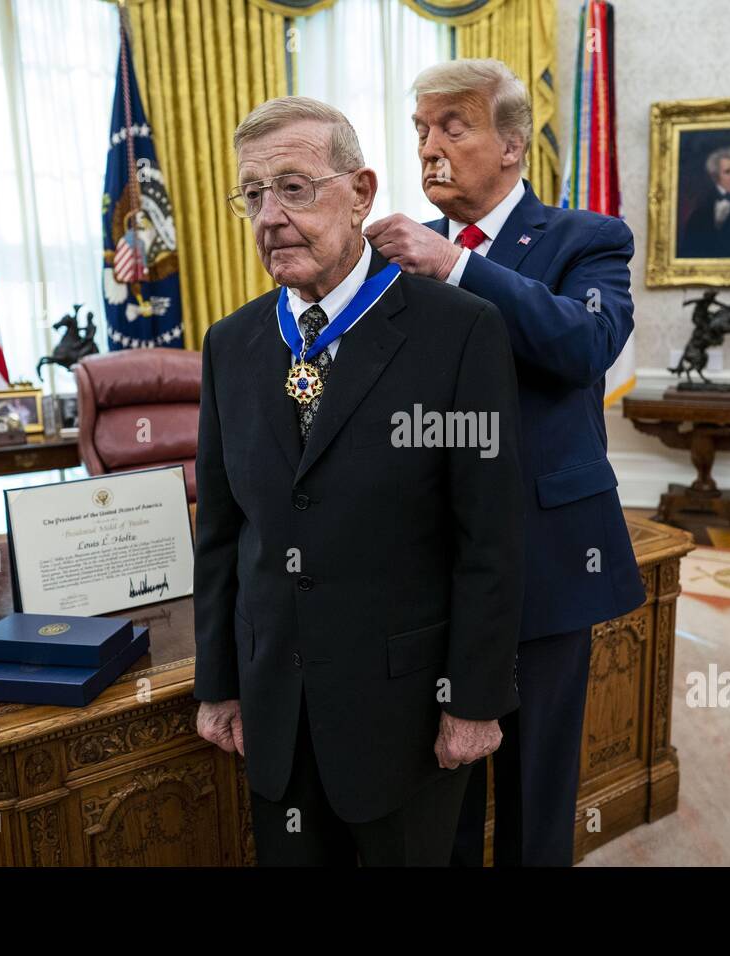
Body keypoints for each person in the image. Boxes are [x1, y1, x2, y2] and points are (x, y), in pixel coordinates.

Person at [193, 96, 524, 866]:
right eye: (252, 194)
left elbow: (491, 540)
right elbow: (221, 533)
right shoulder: (230, 346)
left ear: (363, 192)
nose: (269, 215)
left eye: (294, 187)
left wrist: (474, 702)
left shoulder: (460, 331)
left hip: (408, 722)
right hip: (276, 711)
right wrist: (219, 681)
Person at [364, 59, 644, 867]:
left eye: (454, 126)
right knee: (442, 786)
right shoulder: (393, 257)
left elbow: (581, 343)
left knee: (533, 796)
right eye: (420, 130)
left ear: (513, 143)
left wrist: (455, 266)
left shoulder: (585, 239)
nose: (430, 149)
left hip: (546, 560)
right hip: (427, 570)